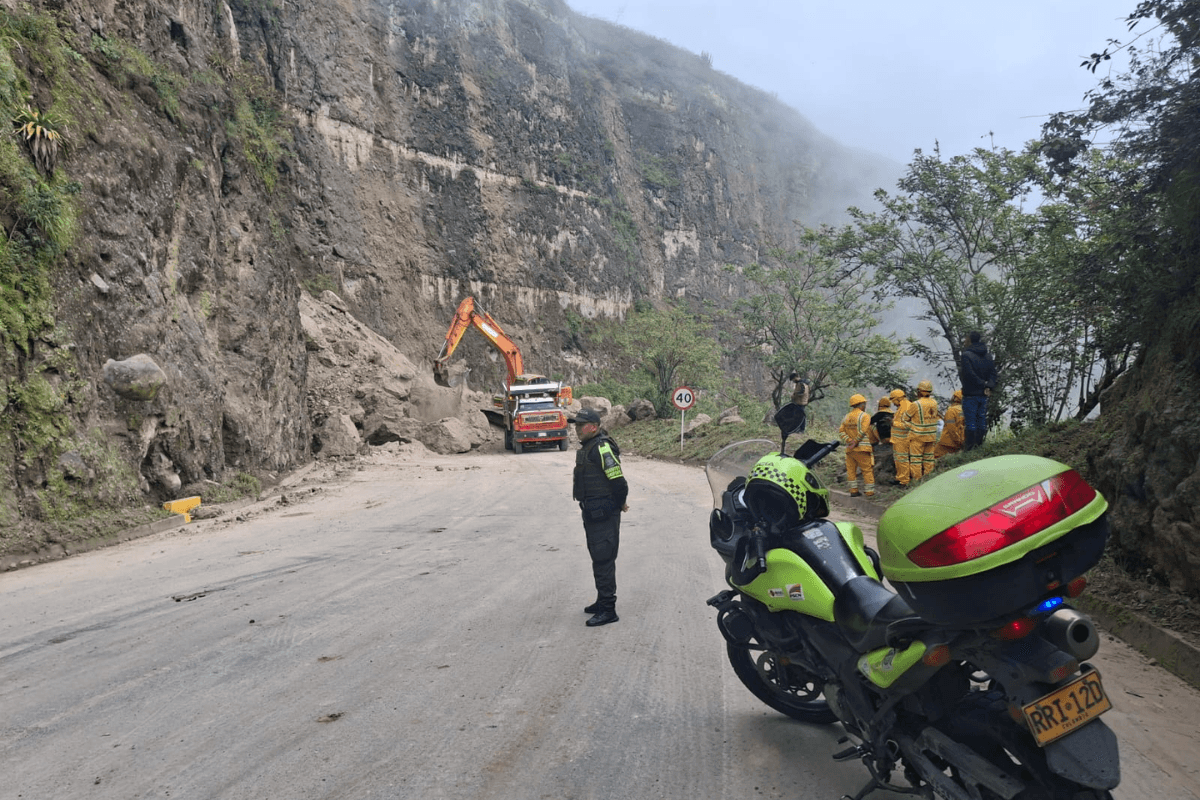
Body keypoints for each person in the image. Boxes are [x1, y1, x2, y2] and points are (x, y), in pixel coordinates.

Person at [570, 408, 628, 627]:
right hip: (593, 512)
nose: (576, 429)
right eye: (575, 425)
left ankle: (608, 609)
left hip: (604, 512)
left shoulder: (602, 447)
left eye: (580, 425)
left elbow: (618, 481)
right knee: (598, 556)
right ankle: (601, 600)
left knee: (604, 558)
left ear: (593, 427)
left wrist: (620, 503)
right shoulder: (589, 447)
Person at [960, 331, 998, 450]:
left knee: (971, 422)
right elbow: (993, 373)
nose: (964, 341)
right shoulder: (988, 355)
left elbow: (969, 374)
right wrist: (988, 386)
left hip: (971, 394)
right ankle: (979, 447)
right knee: (981, 420)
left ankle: (970, 448)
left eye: (966, 338)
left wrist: (982, 384)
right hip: (984, 394)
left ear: (970, 340)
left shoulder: (966, 355)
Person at [838, 394, 877, 497]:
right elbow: (863, 431)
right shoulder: (865, 416)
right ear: (862, 404)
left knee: (851, 471)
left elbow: (841, 432)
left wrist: (849, 441)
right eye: (864, 403)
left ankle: (853, 491)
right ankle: (869, 492)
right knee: (867, 470)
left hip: (850, 449)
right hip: (862, 448)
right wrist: (855, 441)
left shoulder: (846, 417)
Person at [902, 380, 940, 482]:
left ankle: (916, 481)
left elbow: (905, 418)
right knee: (929, 459)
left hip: (918, 437)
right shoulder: (935, 403)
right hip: (931, 436)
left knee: (916, 460)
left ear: (919, 391)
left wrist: (912, 426)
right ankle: (929, 481)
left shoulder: (916, 404)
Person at [888, 389, 911, 487]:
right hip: (897, 439)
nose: (893, 403)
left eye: (893, 400)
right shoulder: (901, 407)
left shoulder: (907, 407)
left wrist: (893, 423)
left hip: (903, 439)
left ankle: (904, 481)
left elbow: (909, 425)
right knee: (898, 460)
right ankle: (899, 478)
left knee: (902, 460)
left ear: (897, 398)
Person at [934, 390, 965, 458]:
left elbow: (951, 428)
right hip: (959, 442)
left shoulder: (952, 410)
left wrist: (957, 440)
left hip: (947, 442)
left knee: (932, 458)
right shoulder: (964, 410)